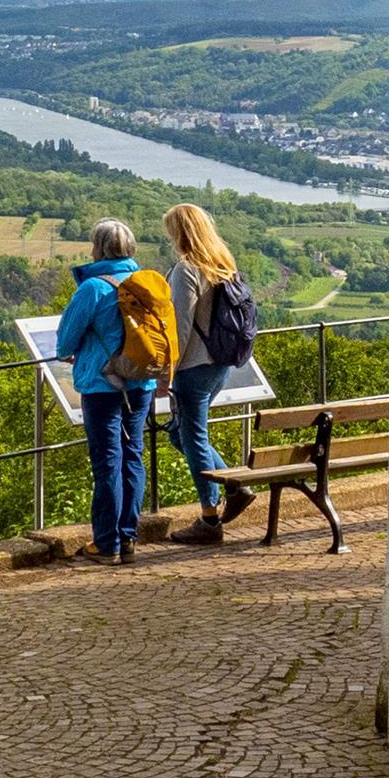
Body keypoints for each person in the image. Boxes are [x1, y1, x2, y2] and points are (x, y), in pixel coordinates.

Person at [53, 218, 160, 561]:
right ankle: (128, 538)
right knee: (133, 457)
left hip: (101, 385)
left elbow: (65, 340)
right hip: (140, 381)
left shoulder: (93, 288)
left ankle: (106, 543)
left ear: (96, 248)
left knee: (108, 461)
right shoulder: (144, 282)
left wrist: (76, 350)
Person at [158, 202, 255, 546]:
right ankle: (236, 486)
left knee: (193, 437)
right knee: (179, 434)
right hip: (219, 365)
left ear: (181, 233)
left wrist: (166, 373)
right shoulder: (222, 264)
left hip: (193, 368)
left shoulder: (187, 270)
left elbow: (179, 328)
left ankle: (209, 519)